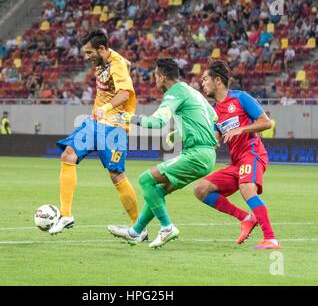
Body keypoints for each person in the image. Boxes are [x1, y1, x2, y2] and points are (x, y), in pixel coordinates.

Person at [108, 58, 218, 249]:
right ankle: (135, 232)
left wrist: (129, 118)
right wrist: (180, 131)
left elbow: (157, 122)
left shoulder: (174, 93)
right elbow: (214, 116)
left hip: (197, 154)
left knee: (145, 180)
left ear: (161, 77)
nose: (155, 82)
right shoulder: (192, 91)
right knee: (157, 191)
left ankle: (167, 227)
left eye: (155, 77)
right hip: (206, 154)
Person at [49, 29, 141, 235]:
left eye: (89, 53)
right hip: (95, 123)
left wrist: (105, 108)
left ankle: (138, 227)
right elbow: (128, 64)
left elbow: (125, 93)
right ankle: (66, 215)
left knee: (116, 174)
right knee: (68, 155)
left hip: (114, 126)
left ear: (101, 49)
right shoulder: (107, 58)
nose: (87, 57)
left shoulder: (116, 65)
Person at [194, 60, 280, 250]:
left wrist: (241, 130)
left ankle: (271, 239)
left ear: (218, 81)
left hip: (253, 153)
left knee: (247, 188)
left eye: (205, 79)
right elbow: (214, 140)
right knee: (200, 190)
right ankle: (246, 218)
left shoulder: (241, 98)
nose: (202, 83)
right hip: (236, 164)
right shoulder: (215, 112)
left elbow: (266, 122)